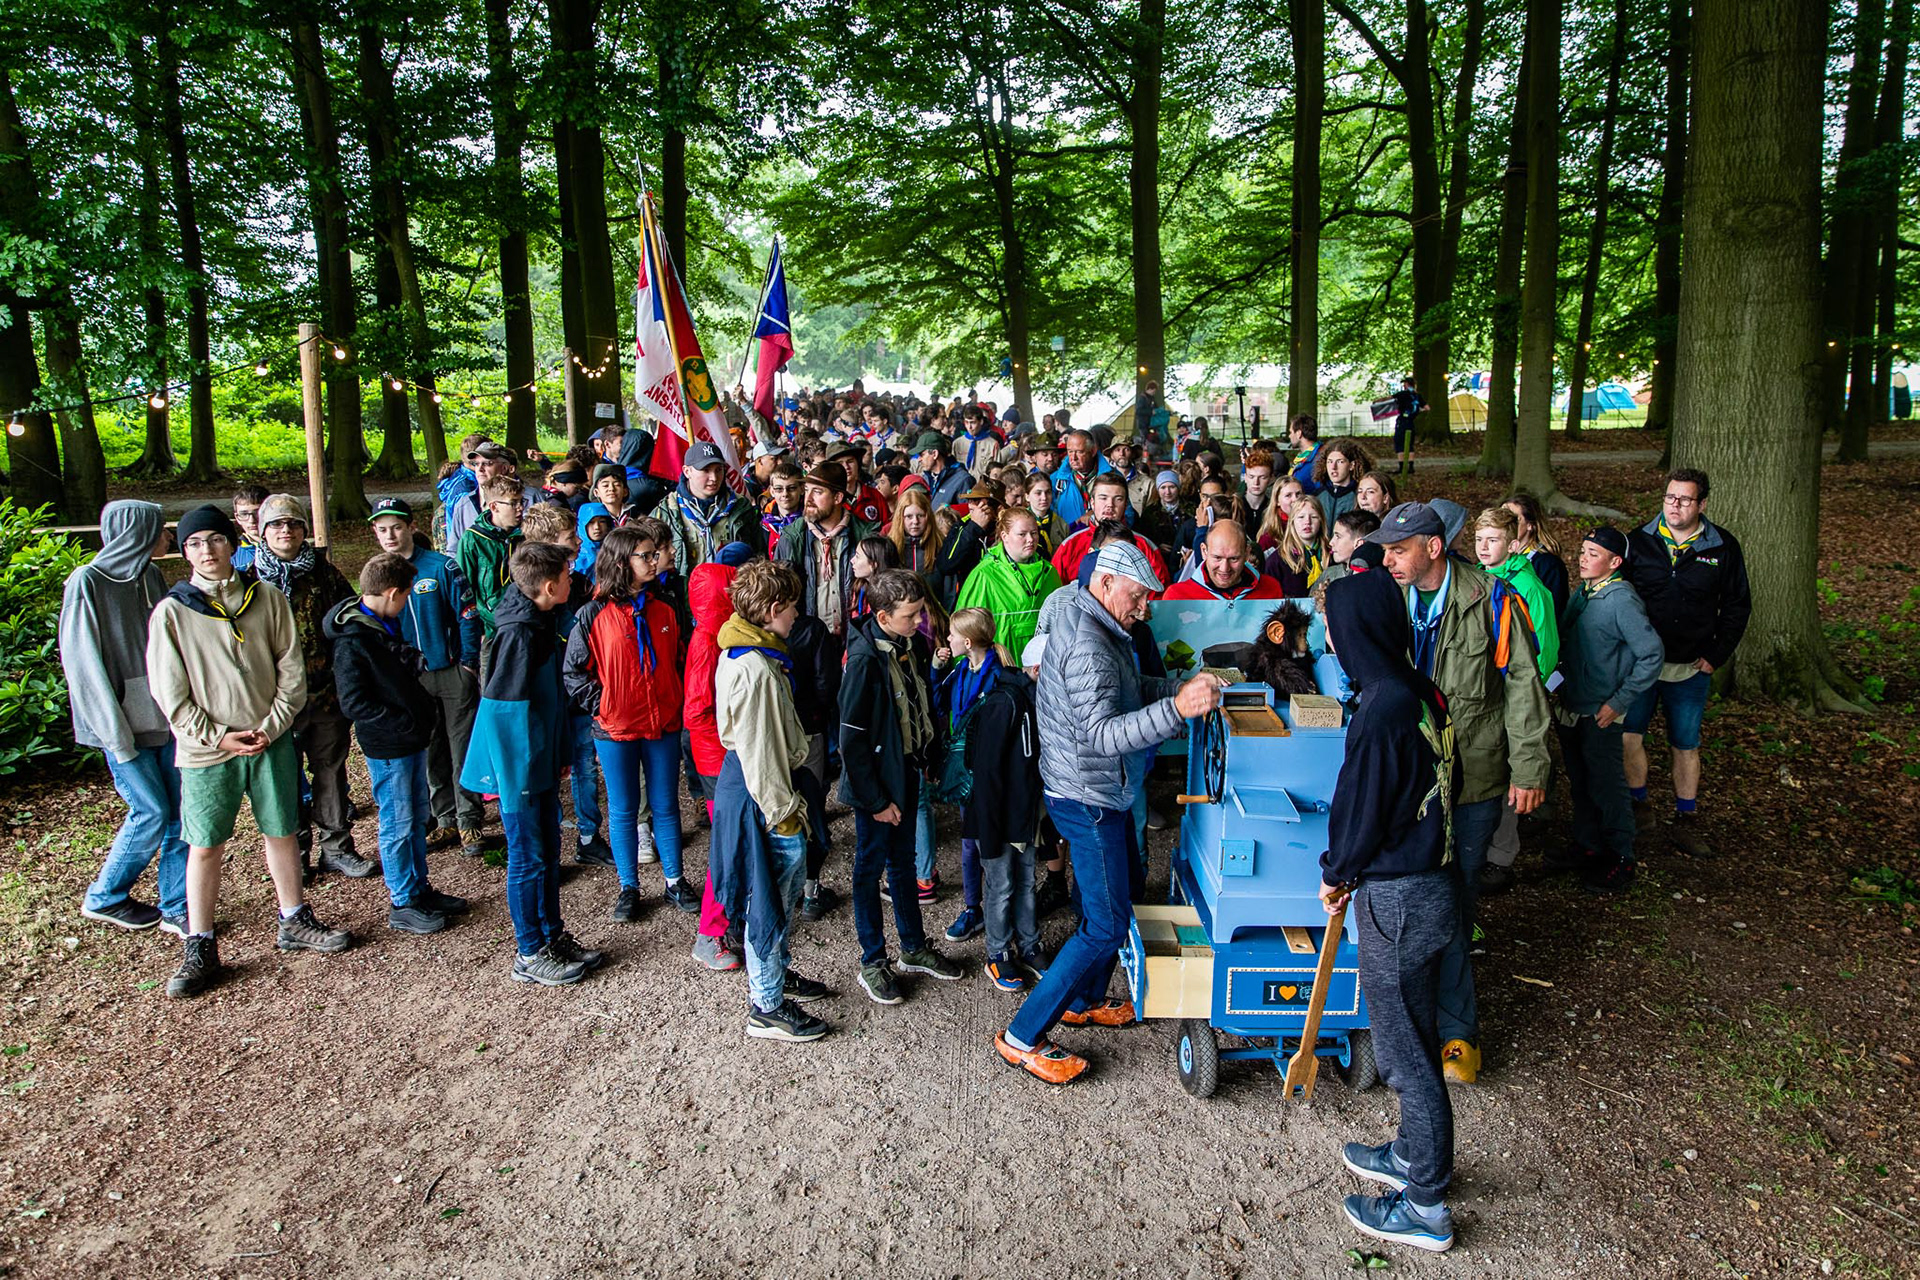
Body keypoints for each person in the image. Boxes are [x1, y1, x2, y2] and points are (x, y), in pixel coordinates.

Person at [1364, 502, 1551, 1086]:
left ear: (1434, 548)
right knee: (1406, 901)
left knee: (1455, 904)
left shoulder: (1493, 601)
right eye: (1386, 551)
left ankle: (1457, 1033)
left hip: (1472, 779)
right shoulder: (1388, 596)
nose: (1388, 560)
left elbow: (1523, 685)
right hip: (1408, 779)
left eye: (1398, 550)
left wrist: (1529, 767)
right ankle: (1404, 1022)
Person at [146, 505, 351, 998]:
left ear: (233, 543)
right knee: (205, 844)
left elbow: (290, 668)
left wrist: (271, 726)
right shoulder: (173, 612)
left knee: (282, 829)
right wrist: (217, 735)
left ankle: (294, 917)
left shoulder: (267, 599)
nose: (207, 551)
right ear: (185, 552)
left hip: (268, 740)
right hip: (206, 750)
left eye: (216, 539)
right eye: (196, 543)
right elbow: (169, 692)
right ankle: (200, 943)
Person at [1317, 566, 1460, 1255]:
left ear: (1356, 631)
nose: (1331, 639)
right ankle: (1410, 1153)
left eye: (1334, 628)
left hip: (1398, 897)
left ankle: (1426, 1205)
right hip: (1434, 883)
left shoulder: (1380, 711)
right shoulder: (1418, 688)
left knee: (1405, 1055)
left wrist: (1336, 872)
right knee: (1416, 1030)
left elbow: (1362, 808)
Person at [462, 541, 604, 987]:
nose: (571, 581)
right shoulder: (519, 634)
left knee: (547, 851)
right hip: (519, 770)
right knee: (527, 858)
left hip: (539, 759)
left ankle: (552, 936)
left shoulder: (539, 619)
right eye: (565, 575)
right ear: (547, 586)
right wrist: (517, 778)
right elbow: (504, 712)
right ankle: (529, 951)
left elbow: (547, 702)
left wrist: (557, 755)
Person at [708, 559, 834, 1040]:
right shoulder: (756, 669)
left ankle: (777, 975)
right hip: (762, 795)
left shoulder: (749, 650)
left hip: (760, 785)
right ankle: (767, 1005)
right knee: (769, 902)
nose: (797, 615)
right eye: (792, 607)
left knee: (777, 898)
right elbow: (760, 751)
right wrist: (782, 816)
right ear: (772, 609)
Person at [838, 569, 966, 1003]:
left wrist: (928, 757)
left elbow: (920, 702)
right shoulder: (863, 661)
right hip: (876, 784)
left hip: (908, 770)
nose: (919, 622)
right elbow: (851, 741)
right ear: (883, 616)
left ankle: (913, 947)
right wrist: (876, 800)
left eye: (919, 613)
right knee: (869, 867)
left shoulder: (912, 644)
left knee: (904, 863)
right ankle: (873, 960)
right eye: (910, 616)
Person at [326, 551, 468, 936]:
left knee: (417, 817)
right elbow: (354, 702)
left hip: (410, 738)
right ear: (392, 593)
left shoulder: (382, 624)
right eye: (405, 596)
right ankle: (402, 900)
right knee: (399, 823)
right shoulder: (353, 640)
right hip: (389, 746)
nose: (406, 603)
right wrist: (403, 721)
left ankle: (419, 888)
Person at [63, 501, 187, 934]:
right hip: (122, 726)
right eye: (161, 529)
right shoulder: (87, 582)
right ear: (137, 532)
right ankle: (105, 896)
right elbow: (83, 666)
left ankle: (177, 905)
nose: (168, 537)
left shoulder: (150, 576)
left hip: (165, 719)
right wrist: (114, 734)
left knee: (179, 814)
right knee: (150, 811)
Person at [564, 524, 697, 921]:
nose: (655, 561)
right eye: (646, 555)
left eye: (655, 554)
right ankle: (629, 886)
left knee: (666, 804)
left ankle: (675, 880)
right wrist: (605, 704)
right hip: (615, 729)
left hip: (663, 723)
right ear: (622, 562)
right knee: (623, 808)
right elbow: (574, 672)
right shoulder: (592, 614)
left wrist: (675, 699)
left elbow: (680, 659)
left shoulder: (666, 607)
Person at [1623, 469, 1750, 858]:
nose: (1675, 506)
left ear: (1702, 504)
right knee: (1629, 736)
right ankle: (1639, 808)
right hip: (1641, 665)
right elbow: (1617, 596)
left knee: (1685, 743)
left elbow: (1737, 605)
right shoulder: (1638, 542)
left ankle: (1686, 817)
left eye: (1684, 499)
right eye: (1670, 497)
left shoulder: (1723, 547)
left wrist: (1716, 655)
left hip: (1691, 667)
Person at [251, 493, 368, 879]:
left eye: (293, 523)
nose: (286, 530)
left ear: (304, 530)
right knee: (284, 780)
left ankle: (337, 847)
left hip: (324, 695)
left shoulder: (324, 574)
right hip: (274, 702)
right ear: (263, 532)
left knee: (331, 771)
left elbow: (350, 621)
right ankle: (295, 854)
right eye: (277, 524)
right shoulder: (249, 580)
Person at [366, 498, 487, 859]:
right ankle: (444, 815)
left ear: (411, 527)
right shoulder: (377, 576)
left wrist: (467, 664)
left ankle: (469, 819)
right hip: (411, 679)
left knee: (461, 745)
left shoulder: (440, 566)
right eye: (383, 529)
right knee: (430, 746)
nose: (390, 535)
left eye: (396, 527)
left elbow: (467, 614)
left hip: (450, 671)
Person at [1556, 526, 1665, 894]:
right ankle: (1588, 845)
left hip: (1600, 712)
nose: (1583, 558)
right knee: (1581, 781)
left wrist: (1618, 702)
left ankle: (1621, 856)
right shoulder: (1584, 593)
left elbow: (1651, 655)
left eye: (1593, 554)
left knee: (1607, 785)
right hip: (1572, 705)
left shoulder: (1621, 601)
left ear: (1615, 562)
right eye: (1583, 551)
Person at [1470, 506, 1559, 897]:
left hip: (1510, 699)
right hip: (1481, 698)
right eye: (1479, 539)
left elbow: (1543, 652)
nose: (1484, 547)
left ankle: (1501, 858)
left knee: (1509, 776)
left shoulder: (1529, 587)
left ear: (1513, 544)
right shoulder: (1477, 579)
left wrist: (1520, 696)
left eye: (1493, 540)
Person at [965, 631, 1046, 991]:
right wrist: (989, 830)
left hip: (1023, 815)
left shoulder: (1034, 700)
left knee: (1026, 881)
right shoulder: (1005, 703)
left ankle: (1030, 946)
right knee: (1001, 886)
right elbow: (986, 772)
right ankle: (998, 953)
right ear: (1038, 670)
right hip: (998, 818)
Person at [955, 507, 1063, 664]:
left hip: (1043, 664)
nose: (1030, 539)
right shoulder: (984, 575)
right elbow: (964, 628)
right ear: (1004, 536)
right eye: (1022, 534)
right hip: (1000, 665)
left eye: (1034, 533)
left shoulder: (1050, 572)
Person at [457, 474, 527, 681]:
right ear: (494, 506)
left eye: (521, 502)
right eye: (513, 503)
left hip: (522, 623)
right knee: (492, 684)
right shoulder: (473, 539)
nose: (520, 508)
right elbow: (465, 590)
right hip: (490, 629)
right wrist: (475, 630)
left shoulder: (525, 536)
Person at [1050, 473, 1167, 585]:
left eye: (1118, 499)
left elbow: (1160, 591)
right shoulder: (1070, 545)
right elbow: (1054, 590)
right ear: (1092, 503)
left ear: (1126, 504)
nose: (1110, 504)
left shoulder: (1144, 546)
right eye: (1103, 498)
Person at [664, 441, 757, 575]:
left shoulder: (740, 507)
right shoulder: (668, 512)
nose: (714, 478)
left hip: (734, 585)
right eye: (705, 470)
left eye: (718, 470)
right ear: (687, 471)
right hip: (686, 587)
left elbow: (758, 554)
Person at [1163, 520, 1283, 602]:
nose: (1224, 568)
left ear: (1247, 553)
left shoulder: (1271, 589)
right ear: (1204, 551)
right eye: (1217, 558)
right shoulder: (1177, 597)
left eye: (1234, 559)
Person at [933, 479, 1003, 607]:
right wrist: (974, 527)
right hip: (969, 603)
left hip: (1000, 601)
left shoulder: (1008, 531)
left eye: (977, 500)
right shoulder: (962, 527)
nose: (970, 505)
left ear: (997, 507)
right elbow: (946, 564)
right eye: (969, 500)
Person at [1502, 493, 1569, 617]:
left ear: (1530, 525)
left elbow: (1554, 612)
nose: (1505, 524)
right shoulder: (1495, 557)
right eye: (1501, 517)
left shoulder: (1549, 565)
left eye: (1514, 519)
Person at [446, 442, 522, 549]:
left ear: (505, 468)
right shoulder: (463, 504)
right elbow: (454, 549)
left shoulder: (530, 498)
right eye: (476, 464)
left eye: (487, 463)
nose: (480, 469)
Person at [1266, 501, 1329, 597]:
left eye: (1313, 517)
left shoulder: (1333, 555)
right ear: (1292, 522)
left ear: (1321, 521)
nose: (1307, 522)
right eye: (1301, 517)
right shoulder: (1276, 561)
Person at [1050, 429, 1111, 529]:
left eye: (1079, 452)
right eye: (1070, 451)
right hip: (1066, 536)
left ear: (1093, 451)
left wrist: (1095, 513)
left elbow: (1125, 514)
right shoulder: (1056, 480)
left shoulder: (1112, 477)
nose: (1073, 458)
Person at [1315, 438, 1375, 526]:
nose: (1333, 467)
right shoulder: (1318, 496)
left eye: (1340, 462)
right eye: (1329, 462)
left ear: (1351, 465)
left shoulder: (1360, 497)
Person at [886, 486, 943, 577]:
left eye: (920, 515)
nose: (915, 521)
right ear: (900, 518)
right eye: (909, 516)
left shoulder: (941, 544)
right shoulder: (889, 547)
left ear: (928, 516)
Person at [911, 432, 973, 511]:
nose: (919, 459)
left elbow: (968, 513)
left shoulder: (963, 480)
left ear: (935, 454)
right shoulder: (925, 478)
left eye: (921, 455)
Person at [1322, 509, 1381, 586]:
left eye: (1338, 536)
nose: (1331, 543)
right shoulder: (1329, 574)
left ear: (1358, 544)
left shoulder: (1376, 580)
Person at [760, 461, 806, 555]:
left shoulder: (810, 522)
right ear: (772, 491)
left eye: (792, 488)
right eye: (779, 489)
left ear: (802, 489)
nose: (785, 494)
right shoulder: (764, 524)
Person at [1391, 376, 1424, 475]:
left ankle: (1401, 467)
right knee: (1410, 444)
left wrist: (1377, 401)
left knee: (1399, 442)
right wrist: (1417, 411)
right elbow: (1427, 407)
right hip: (1411, 422)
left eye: (1404, 383)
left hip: (1402, 422)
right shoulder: (1417, 395)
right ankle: (1411, 467)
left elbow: (1390, 398)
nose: (1403, 385)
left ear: (1407, 384)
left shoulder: (1402, 394)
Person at [230, 485, 267, 572]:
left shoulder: (288, 545)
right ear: (237, 518)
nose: (252, 520)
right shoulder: (232, 555)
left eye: (257, 513)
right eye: (244, 514)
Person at [573, 502, 615, 578]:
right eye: (591, 522)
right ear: (582, 525)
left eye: (602, 521)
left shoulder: (616, 550)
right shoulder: (575, 555)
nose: (597, 527)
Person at [1240, 446, 1279, 526]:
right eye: (1251, 477)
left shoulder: (1275, 510)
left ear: (1271, 478)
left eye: (1262, 477)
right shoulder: (1235, 507)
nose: (1256, 482)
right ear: (1245, 478)